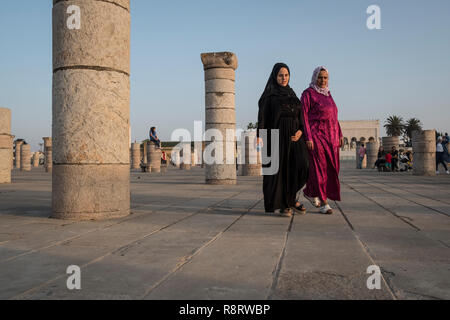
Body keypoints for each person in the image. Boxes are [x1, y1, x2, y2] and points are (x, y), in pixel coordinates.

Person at [257, 63, 309, 217]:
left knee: (303, 165)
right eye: (280, 75)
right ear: (275, 76)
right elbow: (262, 117)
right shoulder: (269, 96)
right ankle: (285, 204)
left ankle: (290, 198)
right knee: (281, 172)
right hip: (276, 137)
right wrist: (260, 135)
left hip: (295, 138)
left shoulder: (293, 94)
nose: (284, 78)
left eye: (286, 75)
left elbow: (301, 118)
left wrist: (300, 131)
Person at [301, 66, 343, 214]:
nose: (323, 80)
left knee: (332, 168)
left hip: (331, 138)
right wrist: (308, 136)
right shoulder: (308, 94)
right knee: (319, 168)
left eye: (325, 77)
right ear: (314, 78)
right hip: (317, 136)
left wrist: (340, 134)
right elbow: (304, 116)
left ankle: (309, 192)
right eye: (320, 77)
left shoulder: (328, 95)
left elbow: (334, 116)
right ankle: (324, 202)